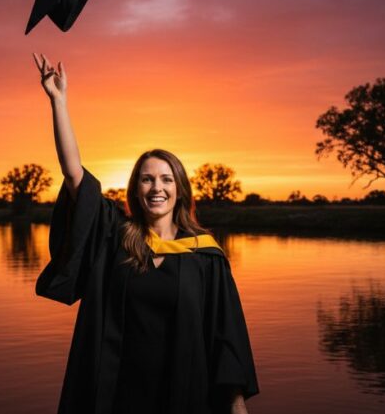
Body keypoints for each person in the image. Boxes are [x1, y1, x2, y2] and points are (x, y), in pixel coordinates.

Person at [32, 53, 259, 414]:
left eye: (167, 179)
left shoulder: (206, 258)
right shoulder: (116, 236)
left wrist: (236, 404)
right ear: (136, 188)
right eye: (147, 178)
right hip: (115, 395)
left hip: (183, 396)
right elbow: (76, 175)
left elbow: (226, 337)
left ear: (180, 189)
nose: (157, 187)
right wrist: (59, 102)